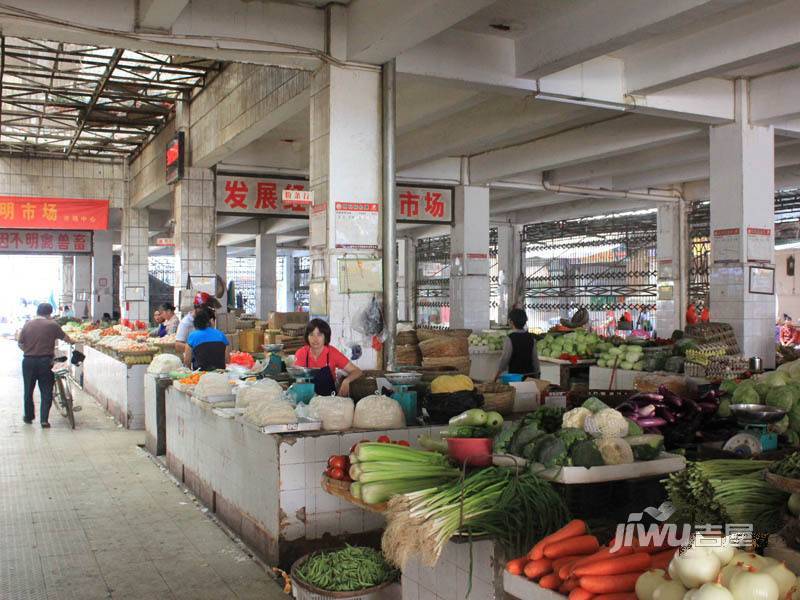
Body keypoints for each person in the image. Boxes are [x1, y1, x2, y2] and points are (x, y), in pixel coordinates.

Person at [17, 303, 73, 427]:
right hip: (45, 361)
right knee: (46, 390)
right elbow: (65, 338)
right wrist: (73, 341)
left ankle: (28, 416)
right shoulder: (52, 325)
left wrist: (29, 351)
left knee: (28, 390)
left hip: (28, 361)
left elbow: (20, 343)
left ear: (38, 312)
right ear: (49, 313)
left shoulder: (27, 324)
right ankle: (44, 420)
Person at [294, 318, 363, 397]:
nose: (315, 339)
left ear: (325, 336)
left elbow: (357, 371)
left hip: (328, 401)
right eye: (311, 334)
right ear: (307, 337)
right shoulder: (301, 353)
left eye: (319, 334)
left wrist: (346, 381)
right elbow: (298, 380)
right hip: (306, 399)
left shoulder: (332, 353)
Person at [494, 308, 540, 381]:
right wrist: (537, 375)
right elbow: (535, 359)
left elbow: (504, 359)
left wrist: (496, 376)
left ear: (511, 321)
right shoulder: (531, 338)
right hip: (530, 376)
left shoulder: (510, 338)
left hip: (515, 377)